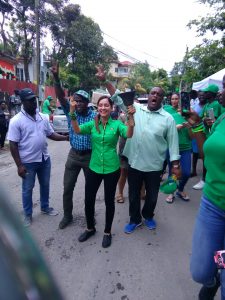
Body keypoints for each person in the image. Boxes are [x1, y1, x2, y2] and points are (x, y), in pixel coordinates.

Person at [95, 66, 181, 234]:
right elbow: (116, 95)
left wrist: (176, 165)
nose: (155, 96)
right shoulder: (134, 108)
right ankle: (135, 219)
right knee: (133, 195)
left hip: (155, 166)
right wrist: (105, 80)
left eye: (159, 94)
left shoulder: (168, 119)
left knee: (152, 196)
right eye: (152, 93)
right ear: (148, 96)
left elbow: (173, 143)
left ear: (163, 99)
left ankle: (148, 216)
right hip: (134, 162)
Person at [70, 95, 135, 248]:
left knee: (108, 201)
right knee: (88, 199)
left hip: (112, 168)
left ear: (111, 108)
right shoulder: (93, 124)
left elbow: (129, 134)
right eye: (100, 105)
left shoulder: (117, 124)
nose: (103, 108)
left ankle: (107, 231)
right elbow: (77, 130)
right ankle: (90, 228)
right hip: (94, 167)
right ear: (97, 107)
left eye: (106, 105)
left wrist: (131, 116)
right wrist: (72, 112)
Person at [7, 88, 69, 227]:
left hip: (44, 159)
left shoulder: (42, 117)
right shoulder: (16, 121)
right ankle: (28, 215)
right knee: (27, 189)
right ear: (22, 102)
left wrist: (65, 138)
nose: (33, 103)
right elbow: (12, 145)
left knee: (45, 185)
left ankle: (45, 207)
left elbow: (50, 134)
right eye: (29, 101)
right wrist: (19, 166)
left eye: (34, 100)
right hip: (27, 162)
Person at [50, 63, 97, 230]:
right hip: (73, 155)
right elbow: (61, 98)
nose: (77, 104)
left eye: (81, 101)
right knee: (67, 187)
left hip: (91, 156)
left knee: (90, 190)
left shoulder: (95, 116)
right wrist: (56, 78)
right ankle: (67, 216)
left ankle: (89, 217)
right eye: (75, 101)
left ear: (87, 102)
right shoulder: (71, 113)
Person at [189, 88, 225, 300]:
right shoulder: (221, 116)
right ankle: (216, 276)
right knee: (201, 271)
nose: (222, 91)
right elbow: (204, 152)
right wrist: (197, 125)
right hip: (213, 204)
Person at [164, 93, 192, 203]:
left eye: (177, 99)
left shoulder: (188, 113)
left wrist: (189, 127)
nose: (175, 101)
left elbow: (192, 136)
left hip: (186, 147)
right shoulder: (167, 111)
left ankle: (180, 190)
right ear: (170, 100)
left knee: (186, 173)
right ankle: (171, 192)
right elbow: (163, 129)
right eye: (173, 99)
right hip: (171, 146)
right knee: (172, 171)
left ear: (180, 100)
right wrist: (176, 128)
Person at [193, 83, 221, 190]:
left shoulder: (215, 105)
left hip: (211, 135)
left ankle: (205, 180)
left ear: (211, 94)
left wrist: (205, 121)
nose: (204, 94)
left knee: (207, 158)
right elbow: (200, 118)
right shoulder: (207, 105)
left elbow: (212, 121)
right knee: (205, 158)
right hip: (205, 134)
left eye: (206, 92)